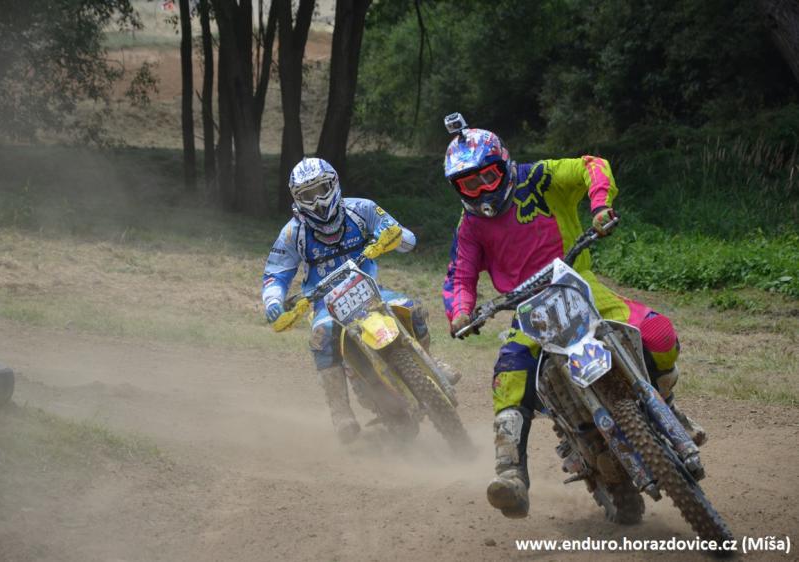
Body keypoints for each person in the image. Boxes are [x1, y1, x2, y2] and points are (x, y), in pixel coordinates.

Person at [440, 114, 705, 519]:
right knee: (508, 377)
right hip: (528, 313)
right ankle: (511, 475)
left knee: (657, 332)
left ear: (504, 164)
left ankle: (668, 407)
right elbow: (459, 274)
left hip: (581, 285)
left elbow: (591, 166)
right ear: (457, 188)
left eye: (487, 177)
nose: (481, 191)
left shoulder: (540, 178)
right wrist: (461, 312)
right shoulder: (470, 226)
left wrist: (600, 205)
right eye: (468, 185)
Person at [262, 157, 431, 444]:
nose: (317, 201)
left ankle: (429, 366)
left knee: (412, 309)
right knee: (321, 335)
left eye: (321, 190)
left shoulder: (362, 209)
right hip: (326, 304)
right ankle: (340, 412)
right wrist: (273, 302)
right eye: (307, 195)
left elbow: (408, 240)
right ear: (297, 198)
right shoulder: (292, 232)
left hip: (371, 291)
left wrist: (392, 237)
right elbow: (275, 273)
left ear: (334, 184)